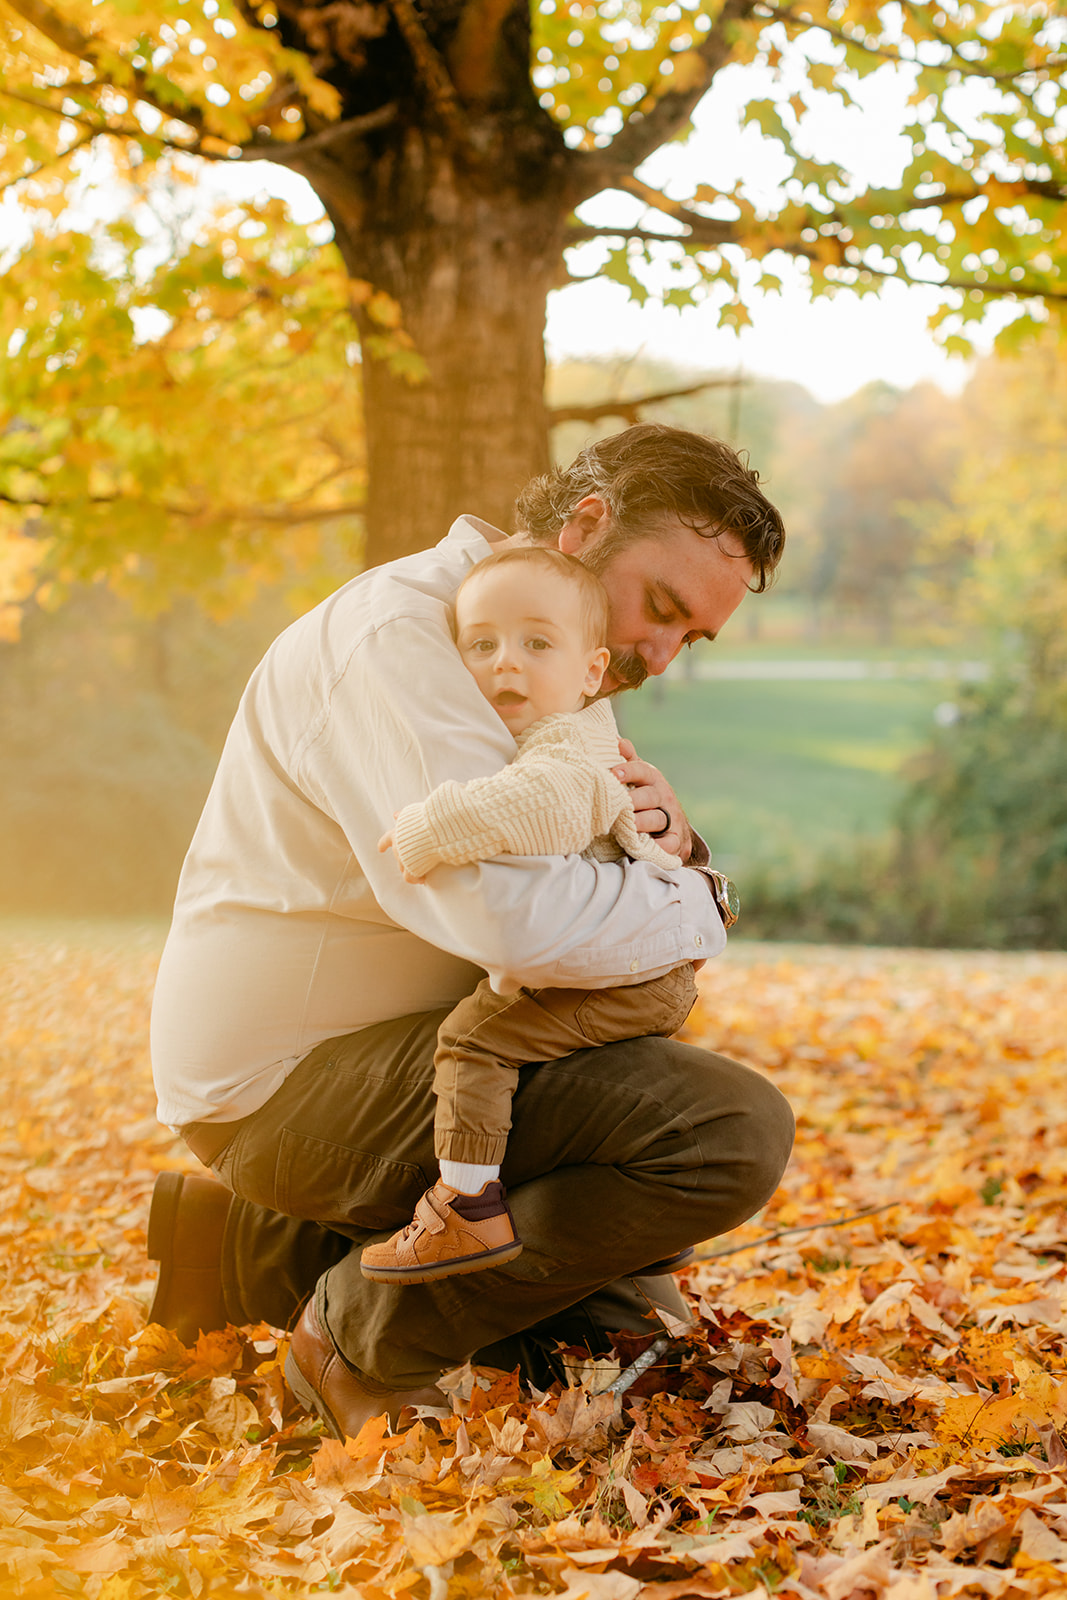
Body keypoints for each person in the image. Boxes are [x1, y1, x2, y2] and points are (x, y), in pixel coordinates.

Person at [147, 422, 795, 1443]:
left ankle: (241, 1248)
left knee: (620, 1326)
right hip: (288, 1083)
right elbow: (514, 920)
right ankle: (353, 1330)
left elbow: (581, 877)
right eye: (662, 608)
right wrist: (699, 904)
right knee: (719, 1134)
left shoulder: (540, 660)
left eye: (689, 638)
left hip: (420, 1059)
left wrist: (669, 844)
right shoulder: (402, 643)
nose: (661, 655)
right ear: (584, 527)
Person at [362, 545, 703, 1285]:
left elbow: (541, 808)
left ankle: (467, 1207)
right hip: (633, 964)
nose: (504, 664)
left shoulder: (568, 747)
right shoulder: (564, 730)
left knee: (475, 1043)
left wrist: (435, 825)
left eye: (535, 644)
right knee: (568, 1079)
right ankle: (644, 1221)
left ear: (589, 671)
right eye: (481, 645)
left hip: (632, 973)